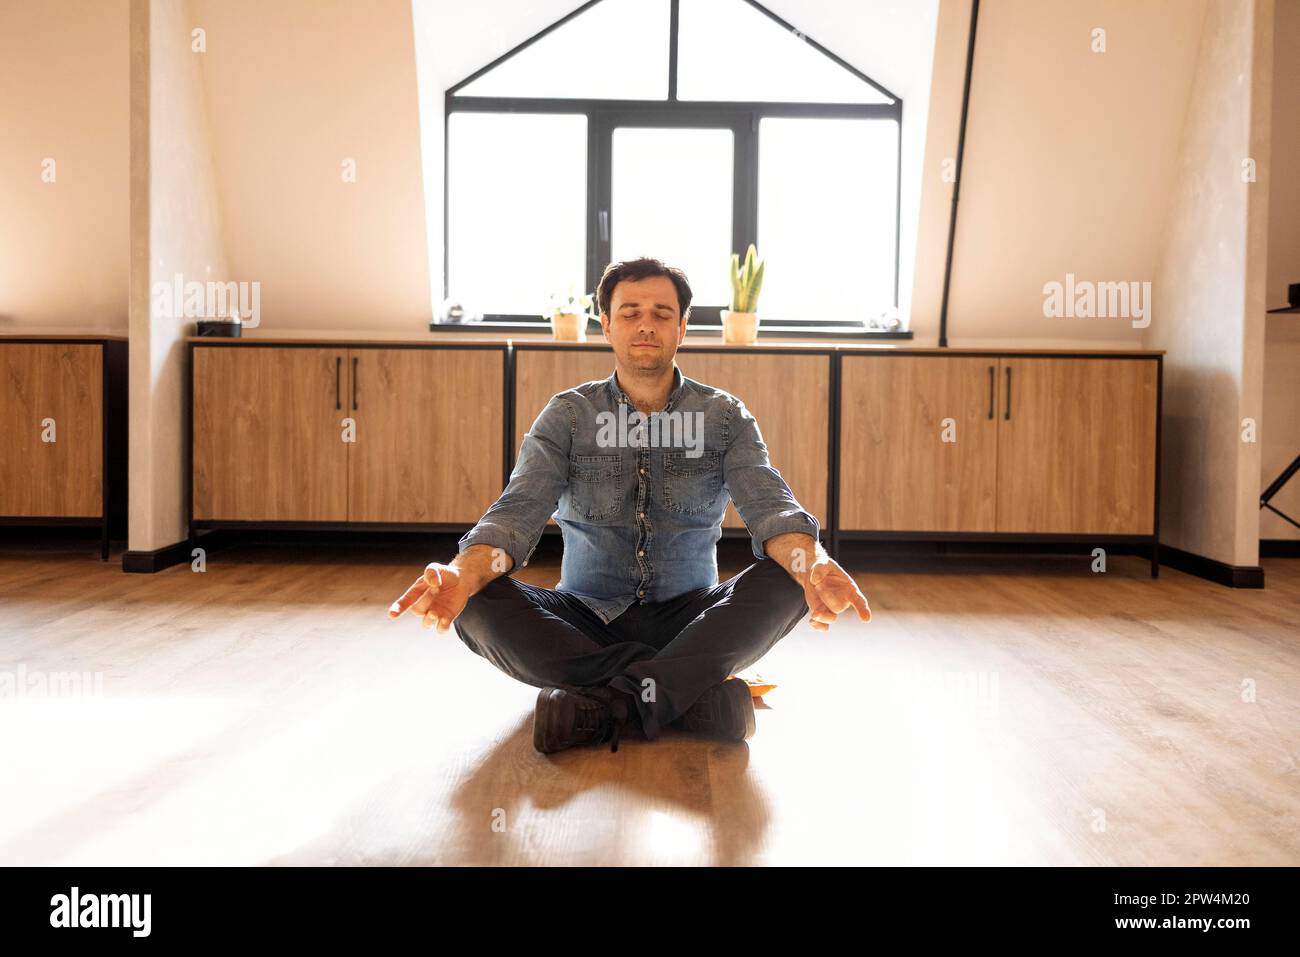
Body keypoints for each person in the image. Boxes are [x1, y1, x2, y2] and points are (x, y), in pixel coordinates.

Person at [389, 257, 871, 753]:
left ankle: (602, 704)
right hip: (583, 620)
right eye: (630, 312)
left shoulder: (724, 417)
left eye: (662, 313)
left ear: (682, 328)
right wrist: (462, 573)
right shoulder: (568, 415)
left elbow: (771, 508)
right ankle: (681, 693)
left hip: (693, 619)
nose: (646, 324)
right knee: (477, 598)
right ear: (607, 325)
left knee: (785, 578)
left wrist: (812, 563)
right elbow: (516, 514)